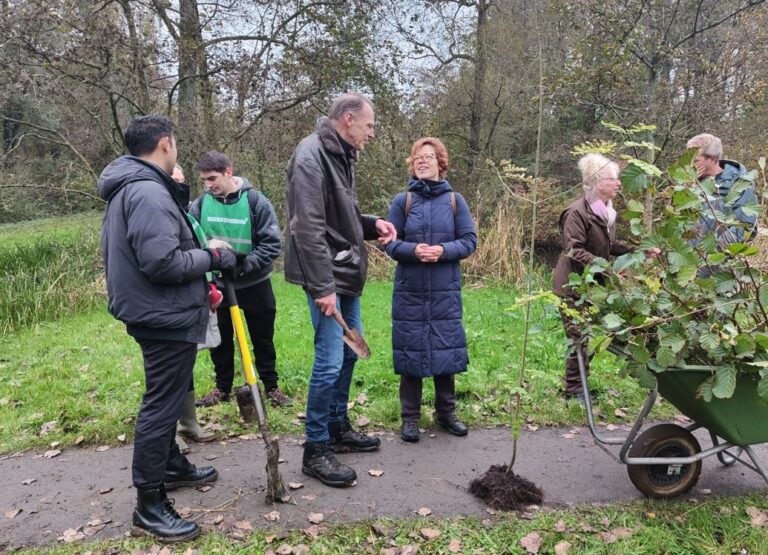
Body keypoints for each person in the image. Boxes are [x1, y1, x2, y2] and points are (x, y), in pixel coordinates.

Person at [98, 115, 237, 542]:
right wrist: (213, 257)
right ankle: (150, 504)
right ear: (164, 143)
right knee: (160, 405)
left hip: (157, 312)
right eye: (174, 142)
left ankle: (172, 466)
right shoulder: (146, 192)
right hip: (161, 314)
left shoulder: (137, 187)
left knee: (170, 394)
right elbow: (162, 263)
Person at [285, 92, 397, 487]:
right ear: (348, 119)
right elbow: (308, 227)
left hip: (344, 273)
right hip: (327, 279)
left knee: (352, 353)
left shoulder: (340, 155)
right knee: (330, 360)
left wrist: (371, 224)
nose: (371, 133)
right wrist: (322, 286)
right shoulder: (310, 156)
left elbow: (339, 215)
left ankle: (336, 426)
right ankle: (315, 448)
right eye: (369, 126)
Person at [384, 137, 477, 443]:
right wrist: (413, 251)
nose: (422, 162)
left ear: (440, 163)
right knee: (410, 351)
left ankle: (446, 414)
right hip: (409, 289)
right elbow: (389, 242)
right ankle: (409, 418)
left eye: (428, 157)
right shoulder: (402, 202)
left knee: (445, 351)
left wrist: (441, 251)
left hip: (444, 290)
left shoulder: (455, 201)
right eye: (417, 158)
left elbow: (468, 241)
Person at [188, 151, 290, 408]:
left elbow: (272, 244)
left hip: (254, 283)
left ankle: (271, 386)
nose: (208, 185)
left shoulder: (256, 202)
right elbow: (191, 239)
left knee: (262, 338)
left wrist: (244, 264)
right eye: (203, 180)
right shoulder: (200, 205)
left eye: (212, 178)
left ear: (229, 172)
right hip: (217, 285)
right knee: (219, 340)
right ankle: (222, 388)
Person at [552, 153, 633, 403]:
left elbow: (608, 245)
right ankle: (574, 390)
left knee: (587, 335)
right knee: (578, 336)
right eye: (613, 179)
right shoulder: (576, 212)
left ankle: (580, 386)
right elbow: (574, 249)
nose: (618, 184)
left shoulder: (606, 212)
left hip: (591, 285)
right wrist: (605, 268)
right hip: (572, 284)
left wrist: (639, 248)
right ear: (597, 182)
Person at [167, 163, 216, 453]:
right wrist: (209, 257)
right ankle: (167, 436)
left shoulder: (185, 213)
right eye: (174, 178)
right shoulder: (157, 211)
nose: (179, 184)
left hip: (192, 295)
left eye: (181, 180)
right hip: (168, 303)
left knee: (186, 363)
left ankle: (188, 423)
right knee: (167, 372)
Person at [686, 133, 758, 247]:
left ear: (712, 158)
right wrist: (687, 187)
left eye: (695, 160)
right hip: (688, 261)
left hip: (716, 262)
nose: (689, 165)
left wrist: (712, 254)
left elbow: (746, 227)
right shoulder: (690, 184)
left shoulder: (740, 183)